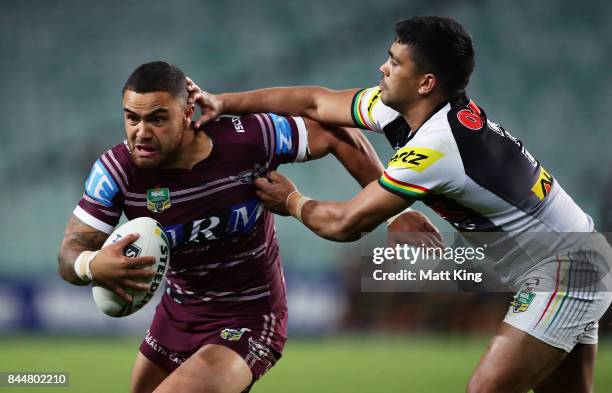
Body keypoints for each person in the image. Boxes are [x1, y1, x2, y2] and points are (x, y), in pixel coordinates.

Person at [187, 16, 612, 393]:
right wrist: (224, 102)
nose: (382, 68)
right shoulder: (405, 112)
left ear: (426, 83)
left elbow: (345, 223)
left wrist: (292, 199)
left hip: (566, 270)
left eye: (394, 62)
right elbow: (316, 102)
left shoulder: (438, 147)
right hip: (575, 255)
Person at [57, 61, 439, 393]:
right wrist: (91, 265)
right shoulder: (116, 172)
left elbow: (338, 133)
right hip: (178, 314)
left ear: (189, 111)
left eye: (157, 118)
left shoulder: (248, 137)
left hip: (251, 315)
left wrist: (393, 212)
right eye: (132, 118)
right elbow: (70, 251)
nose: (141, 132)